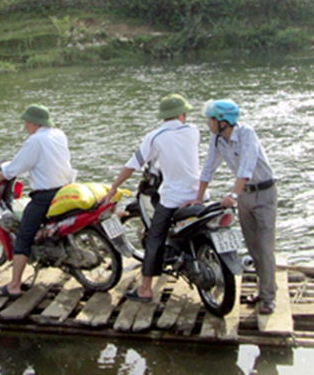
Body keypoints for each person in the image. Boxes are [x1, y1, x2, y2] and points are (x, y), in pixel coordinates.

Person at [102, 93, 200, 302]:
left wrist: (113, 188)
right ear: (182, 115)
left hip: (173, 198)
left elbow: (132, 165)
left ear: (164, 116)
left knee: (155, 237)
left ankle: (145, 289)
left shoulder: (155, 137)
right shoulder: (194, 131)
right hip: (198, 195)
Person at [194, 99, 278, 314]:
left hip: (264, 193)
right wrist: (198, 198)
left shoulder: (246, 133)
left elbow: (246, 167)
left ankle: (268, 297)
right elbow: (208, 168)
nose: (208, 123)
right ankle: (262, 289)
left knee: (265, 247)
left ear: (223, 121)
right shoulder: (217, 139)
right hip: (245, 196)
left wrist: (233, 194)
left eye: (211, 119)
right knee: (252, 246)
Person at [0, 105, 76, 299]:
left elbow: (16, 167)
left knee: (23, 236)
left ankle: (14, 286)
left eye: (27, 122)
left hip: (45, 196)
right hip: (65, 190)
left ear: (35, 123)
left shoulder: (35, 140)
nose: (25, 126)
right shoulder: (58, 134)